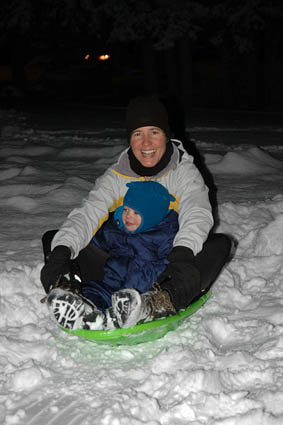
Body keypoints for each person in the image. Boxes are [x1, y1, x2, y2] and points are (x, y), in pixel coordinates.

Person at [41, 95, 231, 330]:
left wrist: (182, 253)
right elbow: (88, 213)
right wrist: (61, 251)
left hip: (167, 267)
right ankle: (72, 293)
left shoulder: (183, 172)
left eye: (154, 132)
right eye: (138, 134)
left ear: (166, 135)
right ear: (130, 139)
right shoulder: (118, 175)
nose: (146, 143)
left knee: (218, 245)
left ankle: (155, 303)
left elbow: (197, 212)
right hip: (121, 263)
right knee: (56, 241)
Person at [46, 180, 179, 330]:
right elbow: (98, 241)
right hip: (111, 283)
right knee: (91, 291)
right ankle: (84, 311)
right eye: (126, 210)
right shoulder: (117, 229)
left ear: (152, 215)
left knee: (130, 302)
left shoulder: (164, 236)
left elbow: (172, 261)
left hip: (142, 291)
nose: (128, 216)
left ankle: (125, 315)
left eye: (136, 213)